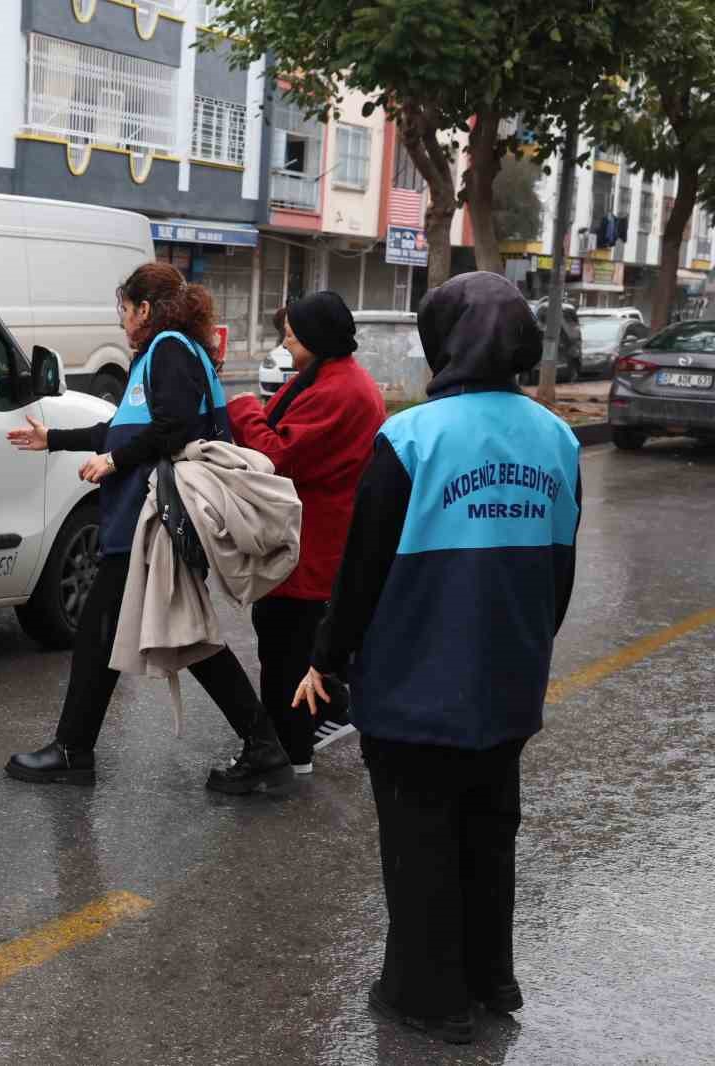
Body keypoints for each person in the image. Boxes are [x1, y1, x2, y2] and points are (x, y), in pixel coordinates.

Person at [292, 272, 582, 1044]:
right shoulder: (557, 438)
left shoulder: (412, 437)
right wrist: (522, 650)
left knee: (421, 841)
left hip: (418, 684)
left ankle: (428, 995)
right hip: (507, 680)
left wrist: (329, 656)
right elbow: (560, 572)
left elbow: (361, 572)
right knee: (489, 834)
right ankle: (492, 979)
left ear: (441, 340)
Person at [3, 262, 293, 794]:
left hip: (150, 522)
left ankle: (76, 751)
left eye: (125, 309)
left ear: (145, 309)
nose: (122, 321)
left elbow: (173, 429)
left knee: (124, 632)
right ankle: (260, 746)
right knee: (141, 634)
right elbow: (121, 431)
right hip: (138, 522)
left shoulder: (171, 352)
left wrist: (113, 464)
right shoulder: (159, 357)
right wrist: (56, 439)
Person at [227, 292, 386, 774]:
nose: (286, 343)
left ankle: (292, 751)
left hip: (312, 543)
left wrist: (242, 409)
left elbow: (278, 454)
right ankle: (304, 730)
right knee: (284, 643)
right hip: (308, 538)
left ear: (316, 338)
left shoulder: (340, 390)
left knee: (287, 652)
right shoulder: (330, 376)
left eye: (291, 335)